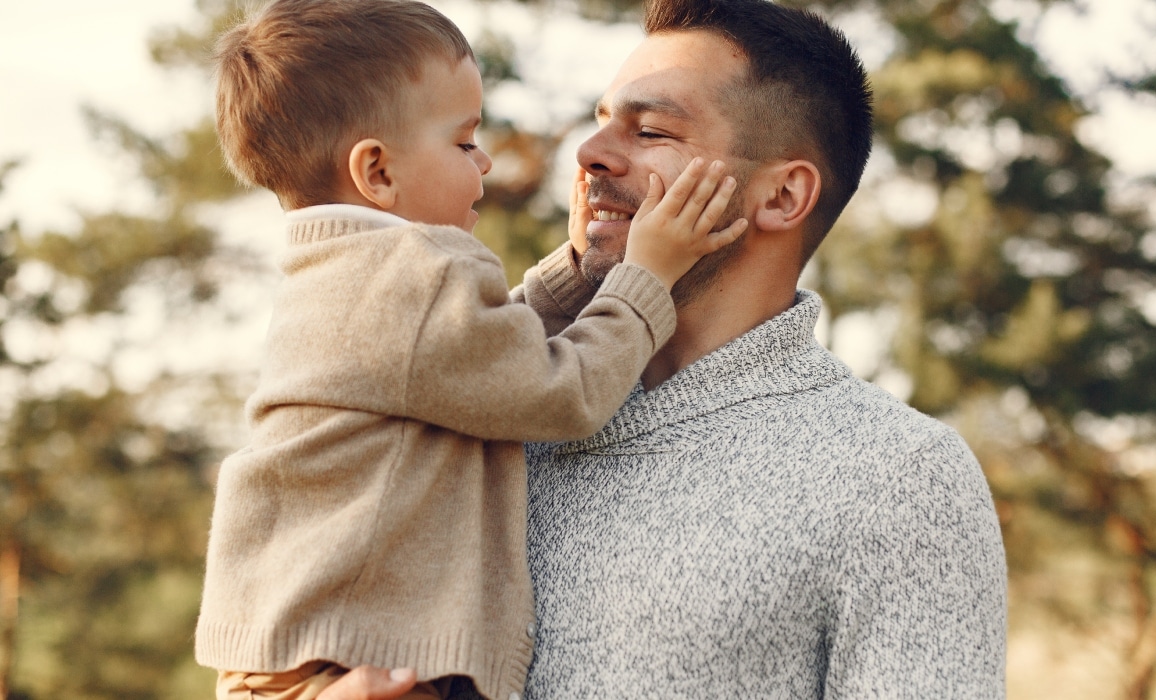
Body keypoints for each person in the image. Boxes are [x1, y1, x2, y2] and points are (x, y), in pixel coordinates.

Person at [320, 0, 1009, 697]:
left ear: (782, 195)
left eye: (650, 130)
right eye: (600, 122)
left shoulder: (897, 477)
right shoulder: (474, 406)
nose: (589, 155)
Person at [192, 1, 747, 699]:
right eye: (462, 143)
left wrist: (576, 269)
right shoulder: (420, 266)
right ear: (377, 172)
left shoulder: (337, 271)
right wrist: (647, 276)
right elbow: (560, 392)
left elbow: (469, 363)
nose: (484, 160)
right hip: (368, 655)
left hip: (290, 651)